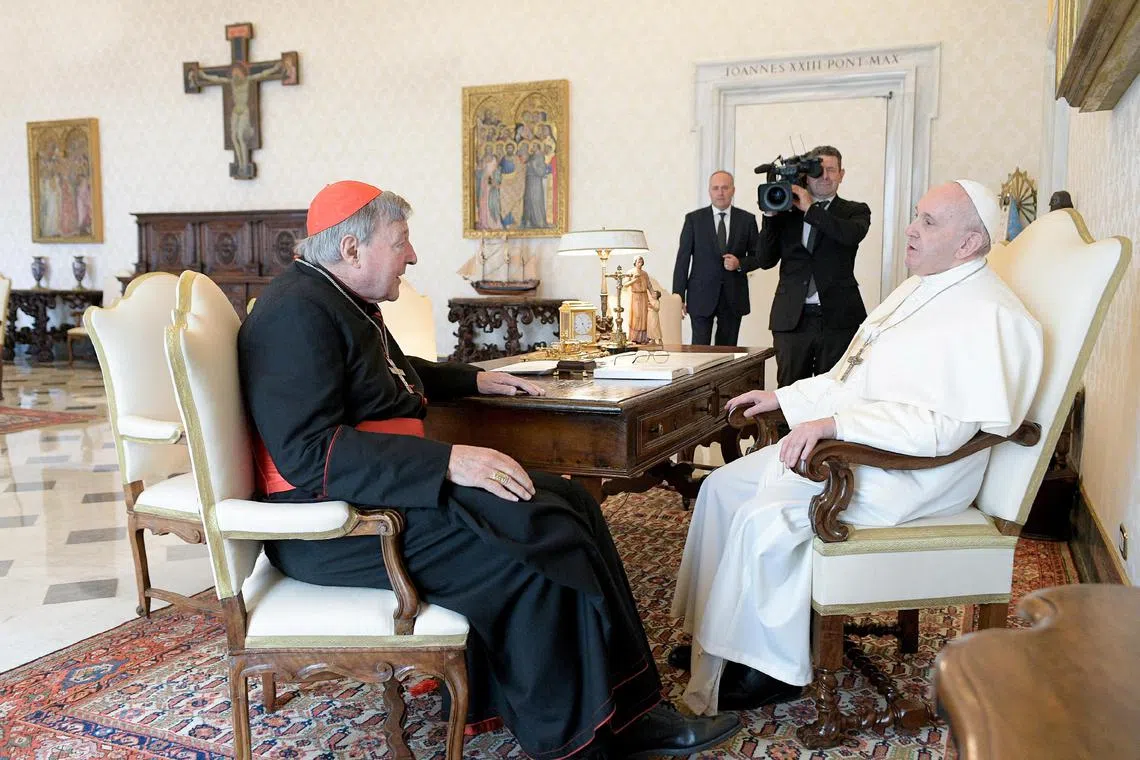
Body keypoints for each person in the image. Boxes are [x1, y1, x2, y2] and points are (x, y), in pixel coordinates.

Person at [239, 180, 741, 759]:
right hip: (333, 527)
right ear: (352, 249)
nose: (414, 255)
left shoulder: (337, 299)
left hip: (377, 495)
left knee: (571, 503)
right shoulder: (294, 315)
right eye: (401, 241)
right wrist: (449, 461)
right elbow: (309, 453)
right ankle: (580, 738)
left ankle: (635, 706)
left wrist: (473, 377)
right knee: (539, 543)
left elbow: (391, 377)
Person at [669, 180, 1044, 715]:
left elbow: (943, 431)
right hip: (869, 443)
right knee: (722, 488)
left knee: (764, 518)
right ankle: (718, 637)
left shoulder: (990, 314)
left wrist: (833, 423)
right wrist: (783, 396)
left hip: (917, 472)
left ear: (968, 244)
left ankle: (764, 667)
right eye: (916, 216)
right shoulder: (918, 288)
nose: (910, 230)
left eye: (929, 222)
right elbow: (854, 378)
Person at [757, 146, 871, 387]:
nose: (825, 176)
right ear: (806, 175)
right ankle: (786, 428)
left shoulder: (855, 211)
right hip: (792, 319)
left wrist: (811, 208)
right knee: (788, 392)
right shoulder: (785, 212)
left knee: (832, 391)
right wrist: (769, 216)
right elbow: (765, 260)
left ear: (842, 174)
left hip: (838, 319)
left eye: (831, 170)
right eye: (818, 170)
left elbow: (849, 236)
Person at [672, 170, 762, 346]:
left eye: (725, 188)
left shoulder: (747, 220)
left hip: (733, 296)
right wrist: (678, 296)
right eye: (716, 188)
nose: (720, 192)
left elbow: (758, 257)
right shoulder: (694, 220)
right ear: (709, 191)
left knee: (727, 354)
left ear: (733, 190)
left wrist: (739, 263)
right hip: (700, 296)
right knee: (698, 353)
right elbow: (682, 260)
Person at [190, 61, 283, 178]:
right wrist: (203, 76)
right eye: (233, 73)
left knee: (240, 137)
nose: (235, 75)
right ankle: (239, 164)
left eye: (237, 72)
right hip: (235, 111)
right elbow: (216, 79)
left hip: (244, 110)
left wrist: (275, 68)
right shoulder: (231, 82)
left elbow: (263, 74)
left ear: (241, 72)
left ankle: (244, 165)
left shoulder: (248, 80)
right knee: (234, 137)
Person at [625, 256, 657, 344]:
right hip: (635, 296)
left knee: (645, 316)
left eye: (641, 260)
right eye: (638, 260)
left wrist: (653, 293)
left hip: (644, 296)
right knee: (636, 316)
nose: (640, 261)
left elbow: (649, 285)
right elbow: (625, 284)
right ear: (635, 262)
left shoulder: (645, 274)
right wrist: (634, 280)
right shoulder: (630, 272)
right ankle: (634, 337)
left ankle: (644, 338)